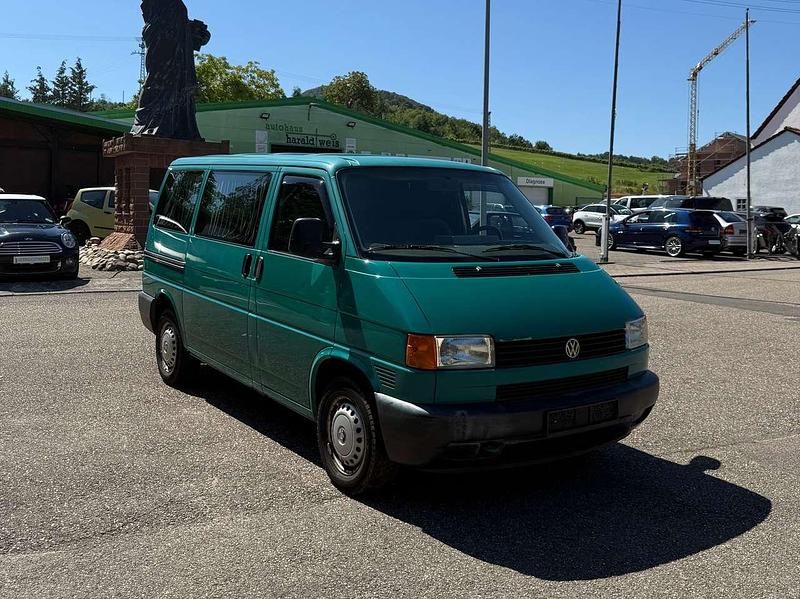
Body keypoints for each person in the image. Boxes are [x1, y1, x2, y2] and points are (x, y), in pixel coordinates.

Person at [131, 0, 211, 140]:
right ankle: (149, 123)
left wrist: (194, 30)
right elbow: (157, 18)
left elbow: (178, 24)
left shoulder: (177, 6)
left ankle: (178, 126)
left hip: (178, 54)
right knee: (157, 81)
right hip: (162, 42)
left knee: (178, 87)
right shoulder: (167, 5)